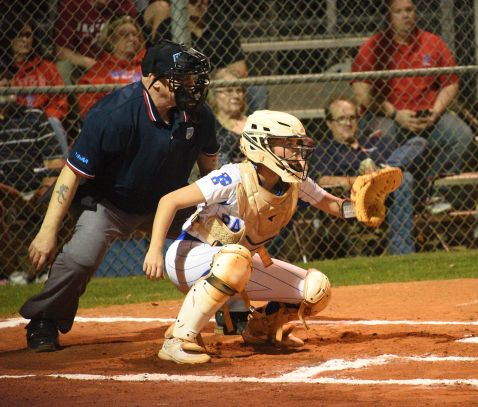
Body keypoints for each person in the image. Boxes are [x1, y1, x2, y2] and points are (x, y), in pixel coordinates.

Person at [20, 40, 219, 352]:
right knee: (80, 259)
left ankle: (236, 310)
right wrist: (47, 232)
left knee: (227, 234)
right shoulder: (113, 114)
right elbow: (72, 173)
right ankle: (44, 320)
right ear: (152, 80)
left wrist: (217, 215)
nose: (191, 85)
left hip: (171, 203)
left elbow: (210, 172)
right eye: (181, 77)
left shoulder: (198, 114)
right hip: (112, 204)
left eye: (193, 77)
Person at [142, 110, 364, 364]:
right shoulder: (233, 177)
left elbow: (333, 205)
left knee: (316, 289)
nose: (296, 152)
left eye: (297, 144)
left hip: (236, 265)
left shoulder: (293, 181)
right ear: (261, 145)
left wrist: (361, 209)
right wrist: (155, 249)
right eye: (288, 144)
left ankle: (259, 330)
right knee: (236, 258)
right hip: (189, 256)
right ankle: (177, 340)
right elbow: (169, 201)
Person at [351, 0, 473, 213]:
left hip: (428, 117)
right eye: (398, 11)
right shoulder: (375, 45)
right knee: (383, 135)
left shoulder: (432, 42)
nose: (405, 15)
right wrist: (395, 113)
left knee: (461, 135)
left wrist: (436, 111)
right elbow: (361, 92)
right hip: (389, 117)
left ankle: (431, 190)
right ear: (389, 16)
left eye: (409, 10)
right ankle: (387, 193)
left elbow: (451, 83)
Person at [312, 96, 422, 255]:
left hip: (387, 195)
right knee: (405, 179)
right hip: (355, 199)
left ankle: (383, 169)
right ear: (330, 123)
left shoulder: (374, 142)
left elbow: (417, 146)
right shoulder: (325, 149)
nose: (348, 123)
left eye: (352, 117)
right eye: (341, 119)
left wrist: (383, 171)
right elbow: (323, 180)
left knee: (418, 143)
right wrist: (363, 180)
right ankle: (402, 251)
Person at [141, 0, 267, 112]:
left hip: (219, 84)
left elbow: (240, 69)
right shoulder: (167, 27)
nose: (200, 3)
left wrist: (219, 76)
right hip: (183, 84)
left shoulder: (221, 25)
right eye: (193, 1)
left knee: (257, 90)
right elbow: (160, 68)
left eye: (203, 0)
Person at [0, 74, 65, 284]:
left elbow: (55, 163)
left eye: (8, 79)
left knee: (61, 197)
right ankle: (12, 273)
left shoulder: (34, 116)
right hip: (5, 191)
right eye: (0, 80)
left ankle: (46, 269)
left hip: (37, 189)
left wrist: (45, 190)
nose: (5, 84)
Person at [1, 14, 70, 155]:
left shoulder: (46, 67)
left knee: (53, 123)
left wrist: (42, 119)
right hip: (12, 122)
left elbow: (59, 101)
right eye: (18, 35)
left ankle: (62, 166)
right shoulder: (4, 72)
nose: (25, 40)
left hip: (44, 122)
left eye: (28, 35)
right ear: (8, 38)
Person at [77, 16, 145, 118]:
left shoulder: (147, 64)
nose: (132, 38)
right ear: (111, 40)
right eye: (124, 34)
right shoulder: (99, 71)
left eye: (135, 34)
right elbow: (89, 109)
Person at [54, 0, 138, 83]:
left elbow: (130, 32)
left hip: (109, 62)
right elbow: (61, 51)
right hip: (78, 63)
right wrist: (88, 62)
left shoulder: (121, 4)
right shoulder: (72, 4)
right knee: (63, 66)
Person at [208, 67, 248, 166]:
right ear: (215, 95)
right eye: (229, 90)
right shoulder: (209, 124)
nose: (236, 95)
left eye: (239, 90)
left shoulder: (252, 123)